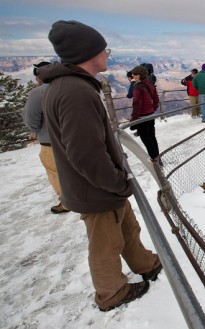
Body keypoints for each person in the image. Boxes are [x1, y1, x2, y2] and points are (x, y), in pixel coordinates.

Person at [38, 20, 162, 312]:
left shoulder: (72, 86)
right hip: (96, 189)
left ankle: (146, 263)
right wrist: (116, 182)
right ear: (88, 53)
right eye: (103, 49)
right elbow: (85, 153)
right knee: (105, 243)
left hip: (103, 185)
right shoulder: (74, 92)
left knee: (128, 228)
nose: (108, 54)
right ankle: (111, 293)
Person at [22, 61, 69, 214]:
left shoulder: (38, 93)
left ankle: (67, 202)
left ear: (39, 76)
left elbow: (32, 121)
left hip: (50, 142)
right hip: (71, 139)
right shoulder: (68, 88)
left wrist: (38, 130)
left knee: (55, 172)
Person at [130, 65, 161, 163]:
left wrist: (134, 119)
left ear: (140, 75)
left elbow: (136, 104)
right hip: (151, 115)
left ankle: (155, 161)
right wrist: (153, 109)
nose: (133, 75)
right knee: (152, 137)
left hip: (142, 116)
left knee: (146, 140)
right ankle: (158, 158)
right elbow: (156, 99)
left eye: (135, 74)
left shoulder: (137, 87)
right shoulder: (150, 84)